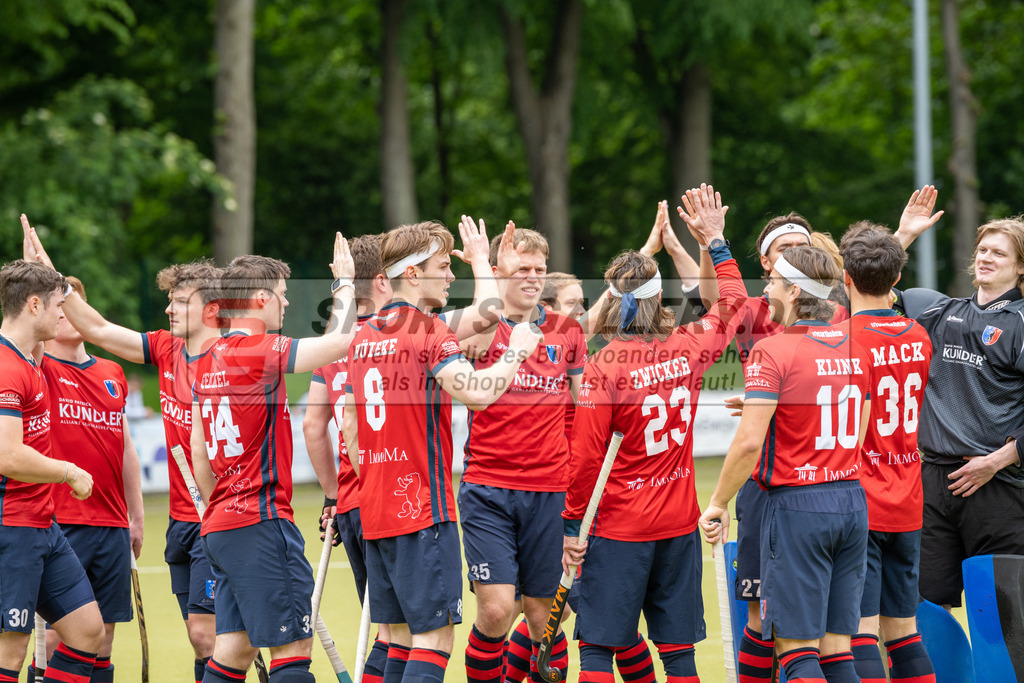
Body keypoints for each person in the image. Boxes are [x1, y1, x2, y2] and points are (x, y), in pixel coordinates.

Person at [22, 215, 224, 683]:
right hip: (175, 520)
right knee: (196, 634)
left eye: (178, 302)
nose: (168, 310)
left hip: (219, 513)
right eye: (169, 300)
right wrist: (47, 274)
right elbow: (96, 326)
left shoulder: (236, 356)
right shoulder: (165, 349)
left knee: (210, 638)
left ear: (212, 309)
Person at [343, 220, 541, 683]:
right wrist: (517, 351)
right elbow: (475, 392)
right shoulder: (428, 330)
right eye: (440, 266)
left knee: (398, 639)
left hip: (376, 507)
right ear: (411, 274)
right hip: (420, 510)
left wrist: (480, 261)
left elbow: (349, 423)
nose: (448, 276)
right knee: (433, 640)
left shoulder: (363, 333)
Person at [562, 185, 745, 683]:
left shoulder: (602, 367)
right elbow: (733, 303)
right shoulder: (687, 346)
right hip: (678, 524)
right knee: (678, 654)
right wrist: (718, 242)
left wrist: (570, 527)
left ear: (612, 304)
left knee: (598, 650)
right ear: (658, 297)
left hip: (618, 528)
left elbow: (583, 461)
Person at [189, 236, 358, 683]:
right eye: (283, 294)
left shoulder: (206, 361)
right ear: (260, 299)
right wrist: (343, 284)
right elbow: (340, 342)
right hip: (260, 523)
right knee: (293, 649)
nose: (285, 303)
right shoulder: (258, 349)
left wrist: (222, 506)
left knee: (233, 651)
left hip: (222, 524)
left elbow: (200, 454)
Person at [700, 245, 872, 683]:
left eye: (774, 281)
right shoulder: (858, 343)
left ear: (794, 292)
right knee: (837, 654)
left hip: (799, 509)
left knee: (796, 653)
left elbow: (747, 444)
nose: (768, 287)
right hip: (851, 501)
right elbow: (860, 424)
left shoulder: (774, 349)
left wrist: (718, 502)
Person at [458, 222, 587, 683]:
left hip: (550, 493)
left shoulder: (567, 331)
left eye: (540, 268)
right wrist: (478, 261)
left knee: (544, 616)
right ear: (498, 274)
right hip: (488, 489)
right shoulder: (480, 329)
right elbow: (477, 314)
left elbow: (586, 408)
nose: (533, 276)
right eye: (521, 268)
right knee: (494, 612)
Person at [892, 204, 1024, 609]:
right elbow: (861, 290)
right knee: (924, 610)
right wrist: (903, 237)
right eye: (982, 250)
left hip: (998, 488)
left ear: (1021, 268)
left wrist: (999, 460)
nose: (985, 257)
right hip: (933, 482)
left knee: (1005, 619)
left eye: (999, 253)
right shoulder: (936, 311)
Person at [839, 225, 936, 683]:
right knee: (903, 631)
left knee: (858, 631)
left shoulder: (843, 341)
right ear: (899, 279)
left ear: (845, 277)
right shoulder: (919, 335)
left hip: (861, 498)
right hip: (909, 499)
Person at [0, 258, 104, 683]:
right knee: (12, 647)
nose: (66, 314)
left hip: (43, 526)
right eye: (60, 305)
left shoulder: (29, 355)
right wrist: (68, 472)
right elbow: (7, 454)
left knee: (87, 632)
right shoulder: (6, 367)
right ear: (35, 306)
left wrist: (43, 265)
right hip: (12, 527)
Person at [40, 276, 146, 683]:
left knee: (102, 639)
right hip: (59, 521)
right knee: (56, 640)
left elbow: (126, 448)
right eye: (58, 307)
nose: (66, 315)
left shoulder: (112, 371)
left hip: (111, 525)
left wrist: (135, 516)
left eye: (74, 306)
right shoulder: (40, 365)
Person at [303, 233, 394, 683]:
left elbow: (313, 426)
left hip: (352, 504)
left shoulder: (332, 344)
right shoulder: (398, 334)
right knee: (407, 634)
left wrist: (332, 496)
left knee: (384, 628)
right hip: (394, 500)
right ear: (384, 280)